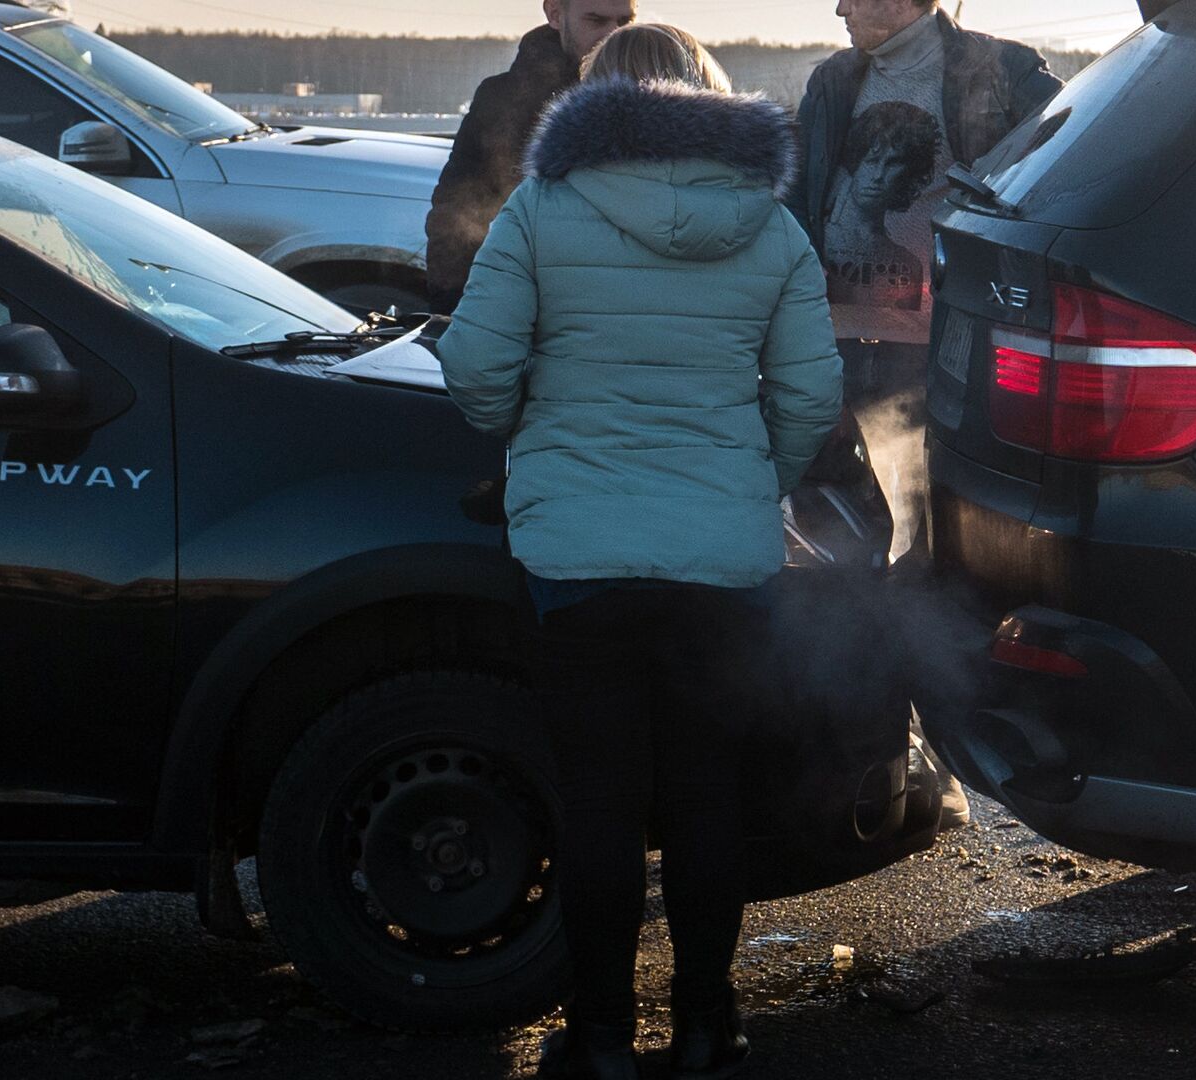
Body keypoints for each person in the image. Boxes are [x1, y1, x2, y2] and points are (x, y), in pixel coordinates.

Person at [437, 24, 842, 1080]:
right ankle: (709, 1026)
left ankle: (604, 1038)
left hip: (581, 557)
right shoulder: (771, 226)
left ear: (590, 105)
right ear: (708, 98)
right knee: (710, 794)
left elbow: (474, 365)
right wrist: (755, 481)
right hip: (721, 560)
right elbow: (808, 395)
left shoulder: (542, 210)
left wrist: (530, 432)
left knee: (601, 801)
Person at [788, 0, 1060, 541]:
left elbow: (1065, 167)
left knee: (932, 528)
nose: (839, 8)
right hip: (831, 344)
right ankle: (851, 616)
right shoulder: (832, 81)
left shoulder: (1004, 71)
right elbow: (796, 200)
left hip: (938, 348)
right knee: (832, 520)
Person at [423, 0, 636, 314]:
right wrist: (457, 309)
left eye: (624, 21)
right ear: (555, 14)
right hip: (528, 307)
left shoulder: (656, 99)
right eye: (596, 20)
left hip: (630, 308)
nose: (613, 35)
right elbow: (455, 215)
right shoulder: (504, 100)